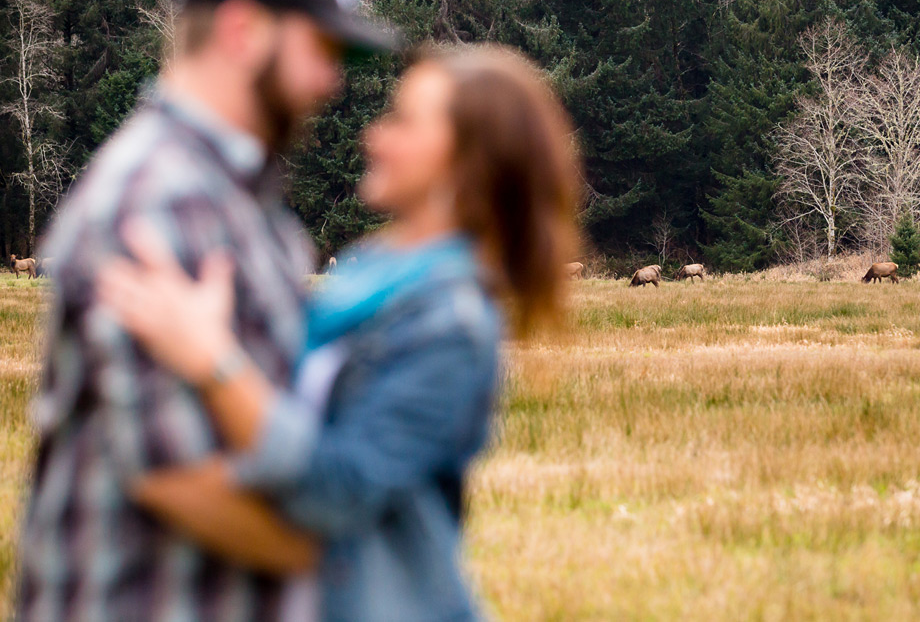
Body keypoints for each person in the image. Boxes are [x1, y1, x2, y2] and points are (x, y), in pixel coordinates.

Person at [93, 43, 581, 621]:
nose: (375, 137)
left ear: (465, 159)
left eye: (402, 121)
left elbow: (337, 490)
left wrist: (213, 364)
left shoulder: (453, 326)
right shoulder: (367, 277)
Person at [18, 0, 400, 621]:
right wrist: (382, 558)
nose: (331, 82)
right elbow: (184, 475)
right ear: (243, 32)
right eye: (319, 49)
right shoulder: (160, 199)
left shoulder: (238, 201)